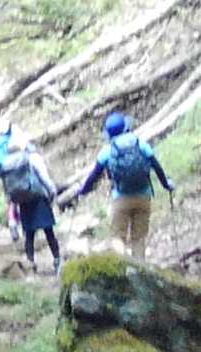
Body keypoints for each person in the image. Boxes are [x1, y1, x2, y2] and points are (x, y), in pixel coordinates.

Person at [62, 111, 174, 260]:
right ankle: (139, 268)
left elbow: (93, 177)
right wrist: (166, 185)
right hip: (144, 197)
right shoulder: (140, 144)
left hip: (121, 198)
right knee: (138, 238)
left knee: (118, 238)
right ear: (126, 127)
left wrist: (82, 191)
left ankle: (123, 266)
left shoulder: (107, 151)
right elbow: (157, 167)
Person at [0, 129, 62, 274]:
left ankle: (30, 264)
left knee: (29, 235)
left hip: (22, 200)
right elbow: (43, 176)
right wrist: (52, 191)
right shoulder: (31, 158)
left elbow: (6, 186)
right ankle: (57, 260)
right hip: (38, 196)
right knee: (48, 231)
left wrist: (10, 200)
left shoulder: (7, 163)